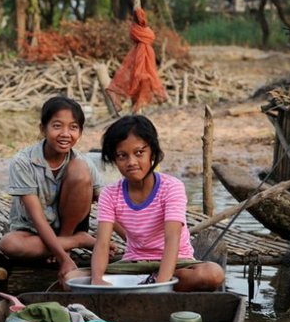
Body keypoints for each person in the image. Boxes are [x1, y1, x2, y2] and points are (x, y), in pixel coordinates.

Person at [89, 115, 224, 291]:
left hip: (177, 264)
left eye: (139, 153)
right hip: (134, 264)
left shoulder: (171, 187)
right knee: (71, 277)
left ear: (152, 152)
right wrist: (97, 279)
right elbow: (102, 243)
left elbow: (172, 239)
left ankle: (152, 283)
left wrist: (161, 284)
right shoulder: (109, 193)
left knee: (213, 274)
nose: (131, 162)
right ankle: (147, 283)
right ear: (114, 159)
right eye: (122, 156)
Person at [0, 96, 106, 286]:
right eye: (57, 126)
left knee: (80, 171)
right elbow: (37, 218)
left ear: (80, 132)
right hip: (32, 231)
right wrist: (64, 257)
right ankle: (77, 241)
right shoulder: (23, 162)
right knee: (9, 244)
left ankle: (66, 238)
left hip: (68, 227)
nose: (65, 134)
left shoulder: (84, 162)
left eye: (73, 127)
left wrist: (133, 240)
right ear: (43, 129)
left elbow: (108, 202)